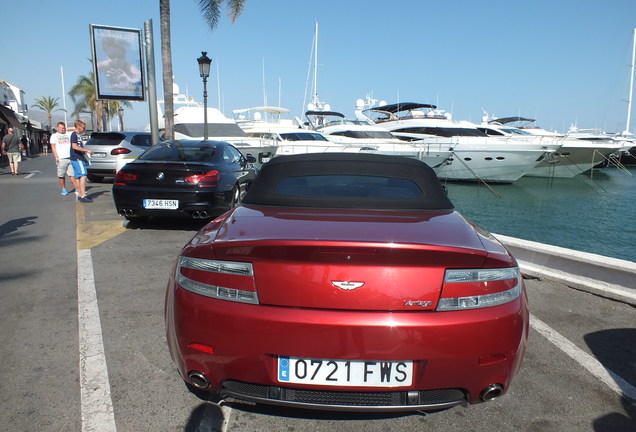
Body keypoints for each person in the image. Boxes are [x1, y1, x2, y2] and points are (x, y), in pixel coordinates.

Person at [50, 122, 78, 195]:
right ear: (57, 128)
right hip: (61, 158)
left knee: (72, 174)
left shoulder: (68, 134)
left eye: (63, 128)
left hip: (70, 157)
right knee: (61, 175)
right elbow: (53, 147)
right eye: (60, 128)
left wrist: (66, 129)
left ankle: (77, 189)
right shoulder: (54, 136)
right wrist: (56, 156)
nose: (62, 129)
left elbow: (76, 129)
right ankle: (63, 189)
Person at [69, 120, 94, 203]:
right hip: (77, 158)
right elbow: (74, 146)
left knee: (78, 177)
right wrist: (87, 150)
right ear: (78, 127)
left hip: (77, 158)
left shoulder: (76, 135)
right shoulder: (74, 135)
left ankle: (80, 194)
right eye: (83, 128)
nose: (84, 130)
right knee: (83, 176)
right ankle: (83, 195)